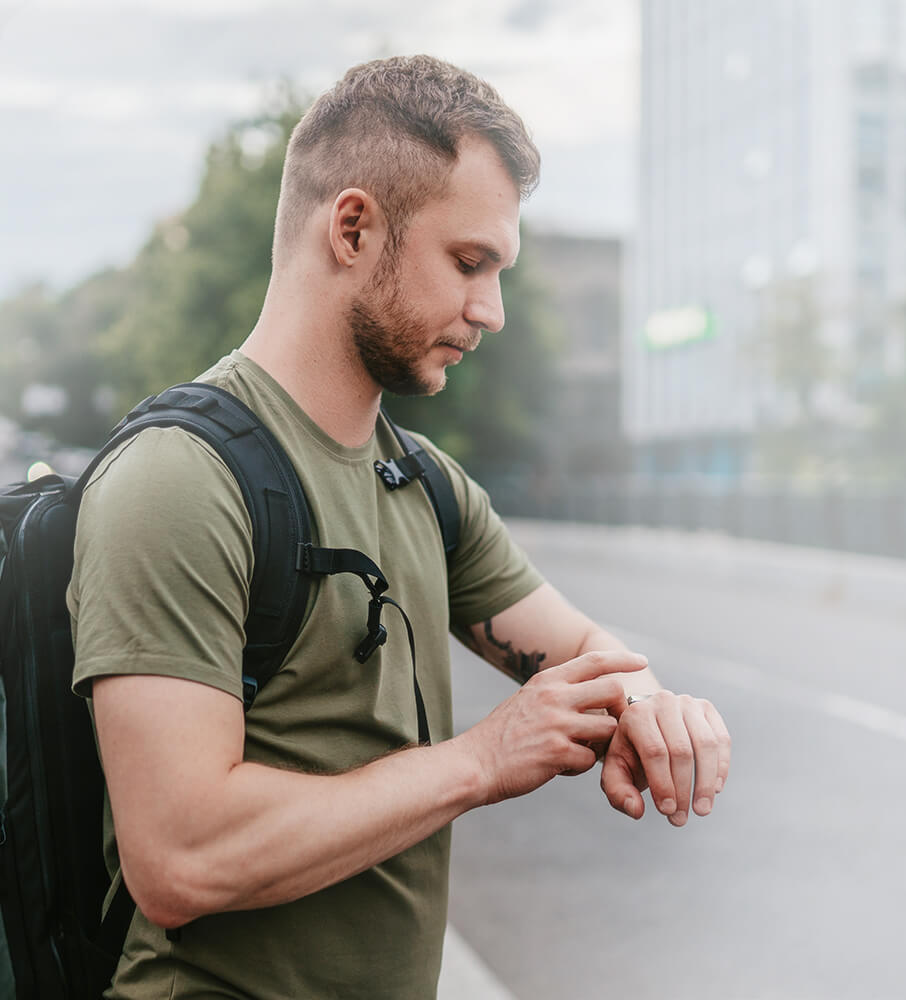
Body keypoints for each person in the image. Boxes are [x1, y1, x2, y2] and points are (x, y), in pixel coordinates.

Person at [67, 54, 731, 999]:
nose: (491, 311)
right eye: (469, 263)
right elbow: (180, 858)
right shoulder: (179, 480)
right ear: (352, 227)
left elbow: (585, 651)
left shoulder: (425, 484)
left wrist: (657, 712)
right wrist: (482, 760)